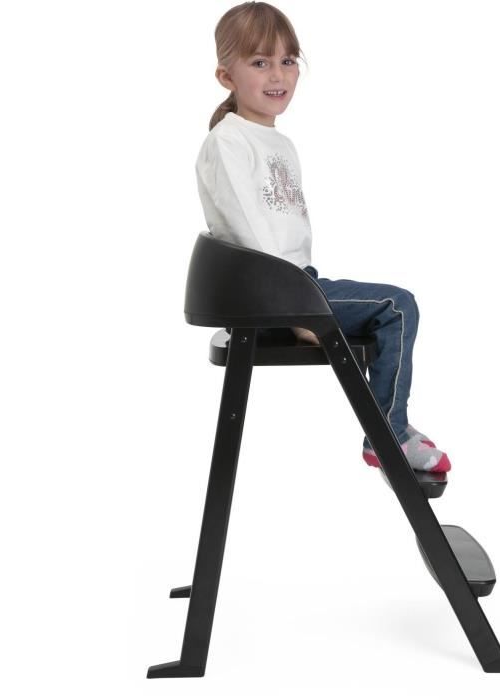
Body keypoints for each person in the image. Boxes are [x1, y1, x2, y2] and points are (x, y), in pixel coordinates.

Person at [195, 1, 450, 473]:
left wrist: (298, 293)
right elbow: (248, 229)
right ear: (226, 76)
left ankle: (389, 425)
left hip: (291, 285)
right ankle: (388, 436)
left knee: (390, 309)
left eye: (288, 60)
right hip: (270, 293)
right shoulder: (228, 141)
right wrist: (296, 308)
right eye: (260, 62)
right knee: (397, 307)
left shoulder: (277, 142)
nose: (278, 74)